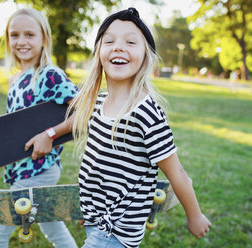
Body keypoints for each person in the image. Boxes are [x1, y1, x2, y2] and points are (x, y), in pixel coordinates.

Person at [68, 7, 211, 248]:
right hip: (98, 222)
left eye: (131, 42)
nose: (118, 47)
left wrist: (194, 215)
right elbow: (101, 168)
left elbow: (177, 173)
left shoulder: (144, 112)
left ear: (146, 55)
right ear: (99, 53)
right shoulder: (100, 102)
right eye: (109, 41)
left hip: (116, 233)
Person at [0, 8, 78, 248]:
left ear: (44, 38)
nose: (21, 41)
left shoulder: (50, 75)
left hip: (39, 168)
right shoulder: (15, 79)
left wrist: (50, 134)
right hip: (20, 167)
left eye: (29, 35)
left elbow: (84, 113)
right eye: (14, 35)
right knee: (52, 226)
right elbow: (10, 130)